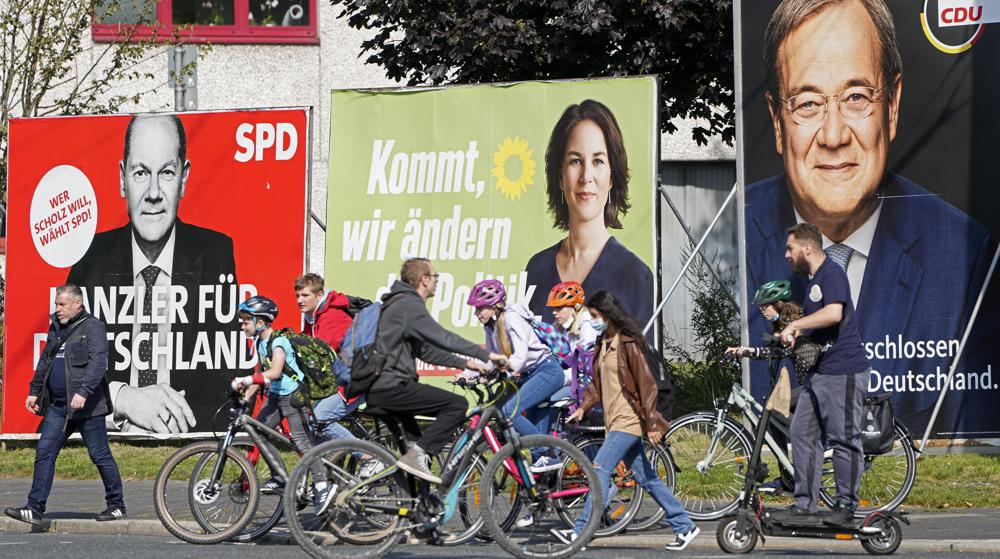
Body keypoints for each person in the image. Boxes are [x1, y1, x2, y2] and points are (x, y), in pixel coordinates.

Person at [744, 0, 997, 428]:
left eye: (857, 97)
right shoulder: (737, 238)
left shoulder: (968, 257)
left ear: (892, 107)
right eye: (807, 104)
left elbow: (968, 435)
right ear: (776, 120)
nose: (834, 135)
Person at [67, 113, 240, 434]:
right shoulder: (89, 258)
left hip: (182, 430)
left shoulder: (214, 254)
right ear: (122, 178)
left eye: (168, 172)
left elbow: (222, 378)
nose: (154, 192)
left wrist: (175, 421)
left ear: (184, 179)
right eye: (141, 172)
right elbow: (65, 373)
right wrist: (123, 399)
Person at [552, 290, 700, 551]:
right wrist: (583, 407)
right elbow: (598, 385)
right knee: (647, 477)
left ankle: (581, 531)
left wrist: (653, 423)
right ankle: (684, 525)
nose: (593, 320)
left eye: (596, 316)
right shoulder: (603, 343)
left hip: (628, 420)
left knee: (599, 470)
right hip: (614, 420)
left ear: (608, 315)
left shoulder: (628, 342)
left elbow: (647, 385)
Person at [367, 258, 507, 484]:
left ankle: (418, 507)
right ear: (424, 279)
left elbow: (426, 351)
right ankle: (417, 458)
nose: (437, 282)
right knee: (456, 405)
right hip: (391, 387)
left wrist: (467, 364)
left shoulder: (399, 303)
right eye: (435, 277)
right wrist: (486, 355)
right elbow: (442, 336)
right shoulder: (408, 305)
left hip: (382, 388)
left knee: (417, 462)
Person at [524, 99, 654, 331]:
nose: (586, 176)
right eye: (575, 161)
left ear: (612, 177)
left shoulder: (635, 275)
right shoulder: (536, 269)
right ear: (560, 177)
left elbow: (641, 364)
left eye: (598, 161)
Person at [5, 285, 126, 525]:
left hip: (88, 407)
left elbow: (98, 363)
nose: (57, 309)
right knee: (44, 453)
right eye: (56, 304)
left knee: (100, 455)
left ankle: (117, 506)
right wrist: (34, 391)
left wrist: (83, 392)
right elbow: (46, 360)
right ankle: (34, 508)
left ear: (77, 304)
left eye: (61, 304)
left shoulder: (93, 327)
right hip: (59, 407)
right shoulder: (57, 328)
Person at [778, 223, 870, 524]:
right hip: (820, 374)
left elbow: (834, 313)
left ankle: (847, 506)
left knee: (844, 438)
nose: (786, 254)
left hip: (843, 371)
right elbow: (821, 325)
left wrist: (795, 325)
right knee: (801, 432)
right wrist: (797, 337)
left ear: (807, 248)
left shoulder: (832, 273)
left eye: (790, 248)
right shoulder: (813, 279)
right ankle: (805, 504)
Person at [229, 296, 331, 513]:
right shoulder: (260, 341)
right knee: (258, 433)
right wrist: (245, 398)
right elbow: (260, 373)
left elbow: (274, 372)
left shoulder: (279, 342)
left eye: (246, 321)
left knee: (302, 442)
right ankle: (280, 478)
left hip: (293, 397)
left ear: (260, 322)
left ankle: (323, 486)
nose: (242, 325)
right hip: (275, 397)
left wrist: (245, 380)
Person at [467, 279, 565, 472]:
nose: (477, 314)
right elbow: (491, 358)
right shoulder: (490, 326)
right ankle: (546, 481)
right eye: (475, 309)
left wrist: (504, 372)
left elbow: (520, 356)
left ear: (494, 305)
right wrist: (468, 373)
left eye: (480, 309)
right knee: (538, 453)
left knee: (508, 412)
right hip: (531, 374)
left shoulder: (512, 318)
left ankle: (549, 453)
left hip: (547, 371)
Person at [726, 279, 803, 494]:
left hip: (819, 383)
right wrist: (747, 351)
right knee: (770, 418)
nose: (762, 311)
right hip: (811, 383)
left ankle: (799, 469)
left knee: (774, 414)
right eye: (760, 307)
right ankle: (788, 479)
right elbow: (777, 352)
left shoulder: (794, 319)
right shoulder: (782, 322)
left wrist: (784, 338)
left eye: (765, 306)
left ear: (779, 303)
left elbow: (788, 348)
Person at [294, 273, 363, 444]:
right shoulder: (313, 317)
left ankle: (370, 458)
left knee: (319, 421)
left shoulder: (332, 316)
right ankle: (327, 467)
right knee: (310, 425)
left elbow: (318, 352)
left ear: (319, 295)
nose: (299, 300)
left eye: (305, 295)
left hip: (357, 377)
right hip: (340, 377)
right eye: (297, 295)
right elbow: (302, 344)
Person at [547, 280, 599, 404]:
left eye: (559, 307)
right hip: (572, 380)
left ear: (574, 307)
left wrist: (557, 378)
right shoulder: (559, 327)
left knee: (549, 399)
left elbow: (584, 367)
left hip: (590, 384)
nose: (554, 312)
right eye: (554, 308)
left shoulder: (588, 326)